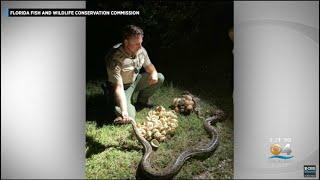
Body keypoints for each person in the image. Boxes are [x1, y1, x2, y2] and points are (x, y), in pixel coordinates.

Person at [105, 25, 165, 124]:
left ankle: (142, 101)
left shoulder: (140, 50)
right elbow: (118, 87)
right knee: (129, 116)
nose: (140, 46)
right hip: (121, 87)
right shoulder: (115, 58)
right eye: (137, 44)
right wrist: (124, 111)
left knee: (159, 77)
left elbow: (150, 66)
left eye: (141, 43)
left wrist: (153, 73)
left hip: (134, 81)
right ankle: (116, 104)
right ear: (126, 42)